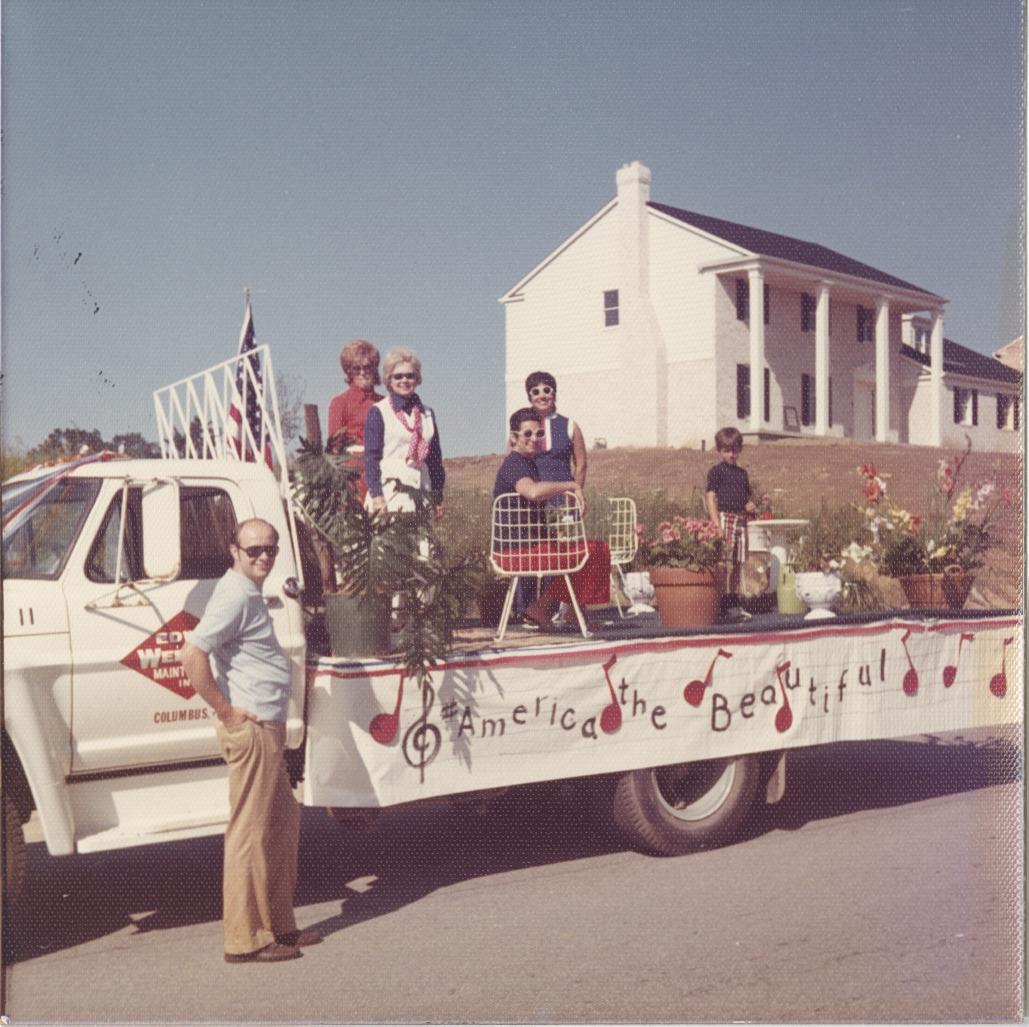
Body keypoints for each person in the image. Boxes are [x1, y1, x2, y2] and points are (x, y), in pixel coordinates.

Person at [180, 519, 321, 964]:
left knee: (281, 826)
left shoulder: (247, 593)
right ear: (235, 551)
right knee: (249, 833)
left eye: (271, 549)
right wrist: (225, 710)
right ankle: (245, 939)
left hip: (269, 729)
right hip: (253, 729)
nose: (264, 556)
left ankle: (279, 925)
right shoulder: (235, 594)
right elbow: (193, 653)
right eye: (255, 549)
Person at [494, 408, 585, 629]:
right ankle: (546, 609)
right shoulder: (515, 463)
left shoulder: (529, 463)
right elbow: (532, 492)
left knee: (588, 550)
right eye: (528, 434)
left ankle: (559, 610)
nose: (534, 439)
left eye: (539, 434)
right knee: (588, 554)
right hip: (516, 550)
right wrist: (571, 485)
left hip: (529, 545)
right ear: (514, 438)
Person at [515, 371, 587, 621]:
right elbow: (513, 458)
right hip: (532, 500)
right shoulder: (524, 427)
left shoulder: (568, 425)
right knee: (530, 550)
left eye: (547, 390)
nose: (542, 395)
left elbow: (581, 463)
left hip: (561, 500)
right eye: (536, 391)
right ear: (529, 396)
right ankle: (525, 610)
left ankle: (554, 608)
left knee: (561, 554)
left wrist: (575, 493)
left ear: (554, 393)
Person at [364, 348, 445, 519]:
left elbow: (434, 460)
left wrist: (437, 496)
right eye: (398, 376)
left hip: (422, 491)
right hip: (390, 495)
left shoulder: (427, 413)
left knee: (421, 545)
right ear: (388, 380)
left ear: (417, 378)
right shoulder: (379, 412)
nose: (404, 380)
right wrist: (377, 496)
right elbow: (371, 458)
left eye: (410, 375)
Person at [705, 426, 757, 615]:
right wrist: (715, 523)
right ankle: (719, 599)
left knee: (738, 561)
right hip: (725, 518)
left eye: (734, 450)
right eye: (727, 451)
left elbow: (745, 499)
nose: (731, 454)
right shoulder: (716, 472)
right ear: (720, 451)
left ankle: (733, 599)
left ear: (740, 450)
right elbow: (711, 497)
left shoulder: (742, 474)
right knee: (722, 560)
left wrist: (749, 505)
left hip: (740, 520)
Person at [326, 339, 383, 501]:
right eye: (356, 368)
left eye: (367, 367)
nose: (362, 372)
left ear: (374, 369)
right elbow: (334, 448)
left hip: (384, 468)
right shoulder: (340, 403)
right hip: (355, 473)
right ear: (348, 372)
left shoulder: (386, 403)